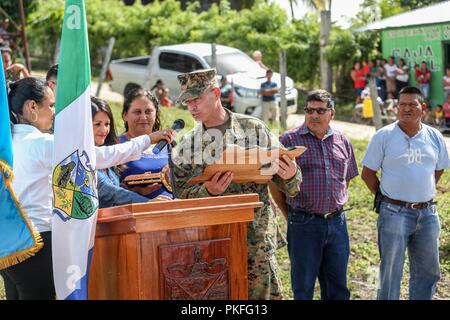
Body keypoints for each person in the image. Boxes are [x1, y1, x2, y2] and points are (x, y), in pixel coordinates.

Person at [0, 77, 173, 300]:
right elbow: (98, 156)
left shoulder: (9, 143)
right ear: (32, 107)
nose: (55, 113)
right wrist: (146, 139)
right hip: (38, 242)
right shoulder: (42, 144)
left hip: (10, 242)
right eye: (51, 105)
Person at [172, 68, 302, 300]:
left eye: (197, 99)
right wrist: (208, 191)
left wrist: (291, 174)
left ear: (215, 93)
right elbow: (180, 195)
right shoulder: (188, 145)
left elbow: (289, 185)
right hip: (212, 246)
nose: (191, 106)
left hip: (255, 242)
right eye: (187, 101)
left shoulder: (253, 128)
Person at [361, 86, 450, 300]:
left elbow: (439, 168)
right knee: (391, 272)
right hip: (394, 212)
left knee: (428, 272)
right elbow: (368, 174)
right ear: (396, 107)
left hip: (428, 214)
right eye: (402, 104)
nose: (406, 109)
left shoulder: (435, 136)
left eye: (412, 104)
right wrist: (385, 198)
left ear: (423, 108)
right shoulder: (383, 136)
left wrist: (422, 191)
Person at [277, 89, 358, 300]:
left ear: (332, 113)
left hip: (337, 224)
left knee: (337, 288)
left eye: (320, 110)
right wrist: (291, 215)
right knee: (303, 288)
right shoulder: (289, 140)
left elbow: (345, 179)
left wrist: (333, 204)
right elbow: (275, 186)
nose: (314, 115)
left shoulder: (342, 141)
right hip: (304, 224)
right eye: (309, 110)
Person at [91, 96, 171, 207]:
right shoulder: (81, 157)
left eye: (107, 124)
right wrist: (147, 203)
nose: (104, 130)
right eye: (97, 124)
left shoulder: (108, 158)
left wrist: (137, 191)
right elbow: (110, 193)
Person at [119, 87, 173, 199]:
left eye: (148, 111)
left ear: (156, 114)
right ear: (125, 115)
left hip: (171, 210)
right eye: (137, 112)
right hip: (135, 212)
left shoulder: (167, 144)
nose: (143, 117)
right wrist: (137, 193)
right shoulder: (117, 145)